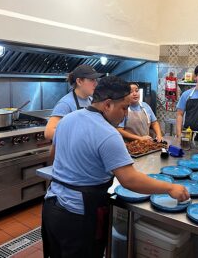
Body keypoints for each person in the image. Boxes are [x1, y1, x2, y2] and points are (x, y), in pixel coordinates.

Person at [42, 76, 189, 258]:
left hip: (51, 207)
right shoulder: (108, 133)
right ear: (108, 105)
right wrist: (170, 187)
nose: (126, 114)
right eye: (124, 107)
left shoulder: (67, 120)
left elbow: (53, 157)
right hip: (79, 214)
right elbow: (129, 180)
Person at [44, 64, 99, 140]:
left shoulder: (92, 100)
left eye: (96, 80)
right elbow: (49, 133)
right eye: (91, 79)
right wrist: (80, 137)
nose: (96, 84)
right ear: (79, 81)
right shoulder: (66, 104)